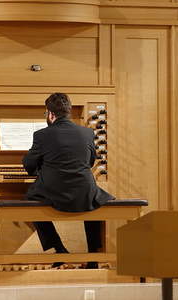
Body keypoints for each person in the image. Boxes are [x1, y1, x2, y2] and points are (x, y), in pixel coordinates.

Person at [22, 92, 115, 269]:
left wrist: (42, 167)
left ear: (50, 114)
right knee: (94, 200)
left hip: (55, 194)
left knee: (30, 200)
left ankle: (59, 249)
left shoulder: (41, 135)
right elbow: (90, 162)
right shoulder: (87, 132)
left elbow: (29, 166)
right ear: (68, 112)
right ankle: (93, 257)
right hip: (83, 192)